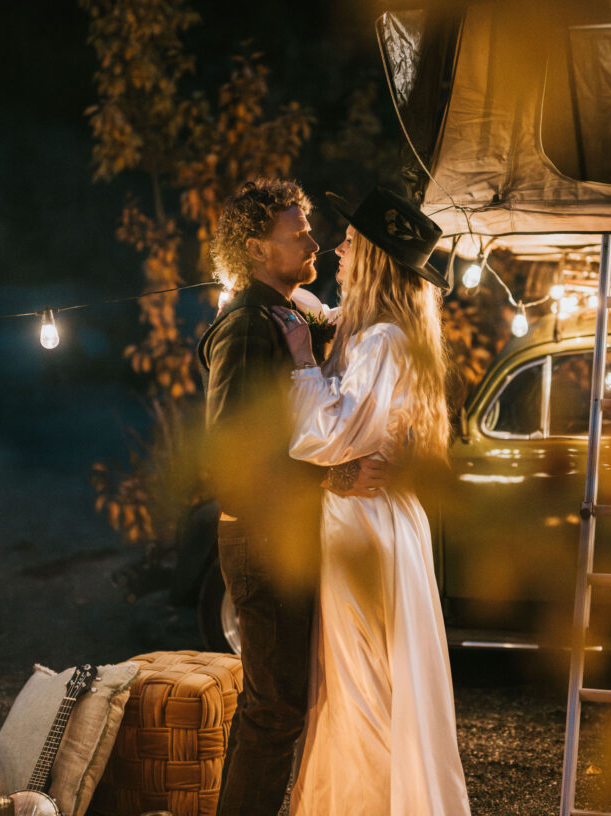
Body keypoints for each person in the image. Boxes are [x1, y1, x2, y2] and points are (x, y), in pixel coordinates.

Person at [272, 185, 471, 816]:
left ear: (377, 260)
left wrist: (304, 363)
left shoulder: (382, 339)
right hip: (376, 518)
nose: (338, 249)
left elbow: (325, 437)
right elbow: (327, 314)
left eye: (353, 243)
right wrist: (286, 295)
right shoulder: (387, 332)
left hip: (365, 523)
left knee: (363, 681)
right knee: (368, 673)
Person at [198, 178, 387, 816]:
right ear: (255, 249)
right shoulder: (246, 325)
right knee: (273, 709)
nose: (314, 242)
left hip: (288, 535)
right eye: (298, 233)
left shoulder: (290, 309)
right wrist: (328, 476)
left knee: (286, 703)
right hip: (258, 538)